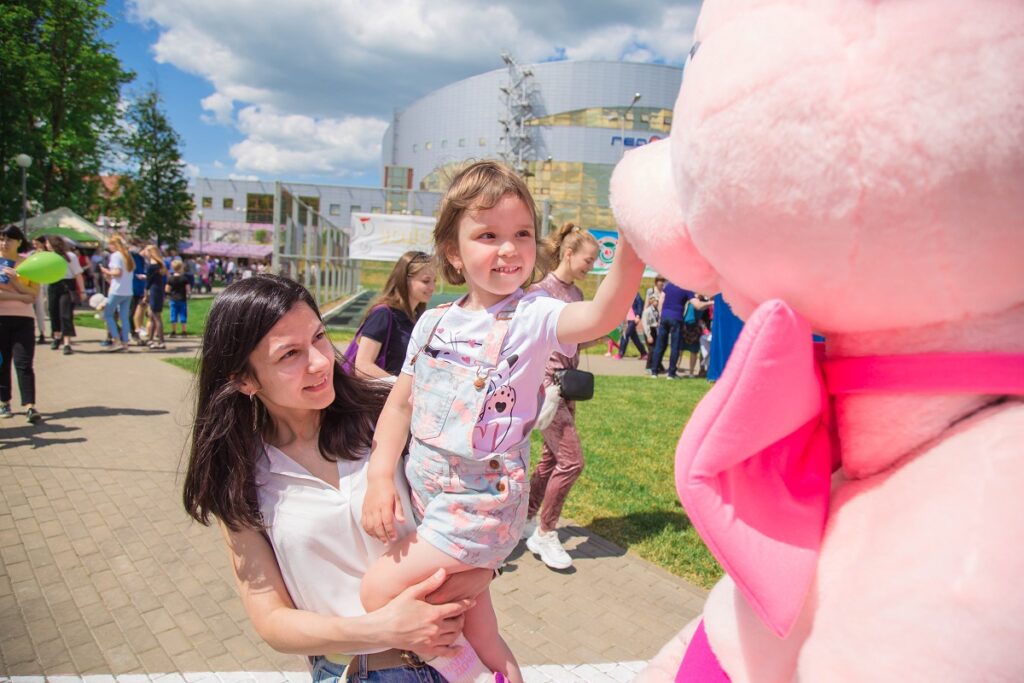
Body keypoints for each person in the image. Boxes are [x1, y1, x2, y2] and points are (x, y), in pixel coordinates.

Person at [360, 161, 644, 682]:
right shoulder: (433, 321)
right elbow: (400, 404)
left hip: (481, 499)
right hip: (429, 496)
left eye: (521, 234)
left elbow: (602, 316)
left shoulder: (535, 317)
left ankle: (467, 676)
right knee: (482, 628)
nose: (509, 249)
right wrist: (381, 474)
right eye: (488, 235)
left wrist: (635, 239)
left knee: (378, 591)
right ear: (453, 250)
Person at [182, 275, 491, 683]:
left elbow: (477, 490)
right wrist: (383, 628)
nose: (320, 361)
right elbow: (271, 618)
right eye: (289, 354)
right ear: (244, 379)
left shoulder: (388, 414)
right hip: (353, 673)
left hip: (459, 661)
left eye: (319, 337)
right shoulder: (239, 480)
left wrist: (484, 566)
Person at [522, 222, 600, 570]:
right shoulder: (540, 291)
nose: (591, 267)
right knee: (572, 461)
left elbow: (574, 339)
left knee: (551, 461)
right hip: (547, 390)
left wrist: (600, 332)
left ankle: (525, 518)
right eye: (588, 260)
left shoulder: (578, 296)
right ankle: (545, 532)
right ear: (568, 254)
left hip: (568, 388)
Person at [350, 251, 435, 380]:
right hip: (381, 396)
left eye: (434, 281)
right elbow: (362, 366)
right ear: (404, 280)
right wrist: (399, 387)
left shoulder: (417, 318)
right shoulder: (382, 314)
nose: (432, 287)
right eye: (426, 281)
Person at [0, 225, 42, 422]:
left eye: (9, 239)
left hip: (24, 320)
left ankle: (30, 406)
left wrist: (16, 282)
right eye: (2, 238)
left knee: (24, 363)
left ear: (19, 242)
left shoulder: (29, 264)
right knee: (2, 363)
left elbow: (34, 294)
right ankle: (4, 402)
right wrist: (21, 296)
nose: (5, 243)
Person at [45, 236, 84, 355]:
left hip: (67, 285)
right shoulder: (48, 256)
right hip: (53, 284)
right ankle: (57, 336)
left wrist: (82, 291)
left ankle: (67, 342)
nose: (46, 245)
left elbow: (78, 274)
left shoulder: (70, 256)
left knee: (65, 314)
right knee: (53, 311)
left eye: (47, 242)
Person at [99, 235, 135, 352]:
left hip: (117, 290)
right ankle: (125, 343)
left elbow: (117, 272)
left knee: (108, 314)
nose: (109, 247)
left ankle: (116, 339)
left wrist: (106, 272)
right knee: (124, 318)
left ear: (114, 245)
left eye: (110, 244)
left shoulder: (115, 256)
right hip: (128, 291)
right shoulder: (127, 255)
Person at [143, 246, 167, 350]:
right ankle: (151, 339)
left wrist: (145, 295)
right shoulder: (160, 265)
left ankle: (160, 341)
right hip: (159, 291)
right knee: (154, 316)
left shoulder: (151, 266)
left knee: (155, 316)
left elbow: (148, 283)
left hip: (153, 291)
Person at [615, 292, 648, 360]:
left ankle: (620, 354)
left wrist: (638, 315)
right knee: (635, 338)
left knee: (625, 335)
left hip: (633, 319)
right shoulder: (624, 295)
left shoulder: (635, 294)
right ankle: (644, 353)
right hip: (628, 319)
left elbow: (640, 304)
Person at [166, 260, 191, 337]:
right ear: (181, 268)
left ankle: (173, 331)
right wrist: (189, 294)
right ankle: (184, 331)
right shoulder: (184, 279)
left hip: (173, 299)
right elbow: (188, 289)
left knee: (173, 314)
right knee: (183, 314)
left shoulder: (170, 278)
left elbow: (167, 289)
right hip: (182, 299)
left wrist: (169, 294)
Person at [30, 237, 48, 344]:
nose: (35, 246)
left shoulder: (48, 254)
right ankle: (40, 332)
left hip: (45, 282)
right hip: (35, 282)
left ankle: (46, 331)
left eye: (36, 243)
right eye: (34, 244)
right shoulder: (32, 254)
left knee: (44, 308)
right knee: (37, 309)